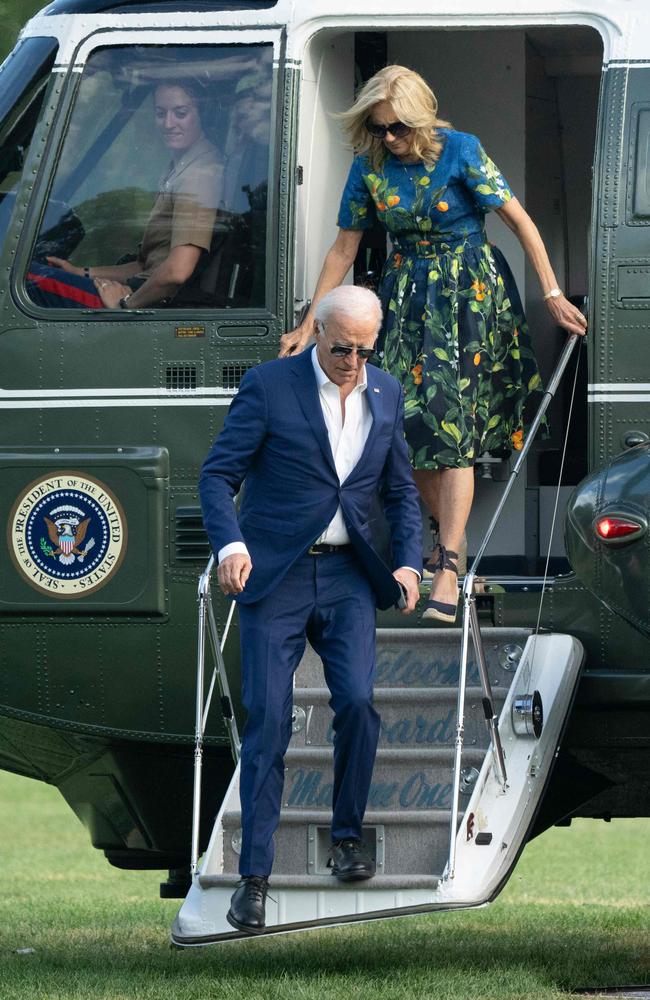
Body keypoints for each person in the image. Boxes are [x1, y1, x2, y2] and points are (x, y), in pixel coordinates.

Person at [280, 64, 588, 623]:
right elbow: (344, 249)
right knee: (397, 423)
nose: (389, 138)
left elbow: (520, 222)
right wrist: (310, 323)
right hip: (402, 297)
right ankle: (454, 542)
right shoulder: (369, 165)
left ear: (420, 117)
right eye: (378, 129)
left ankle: (446, 562)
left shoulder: (461, 150)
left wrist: (552, 293)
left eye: (397, 127)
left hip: (468, 297)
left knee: (452, 425)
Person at [199, 284, 422, 935]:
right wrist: (230, 544)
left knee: (356, 702)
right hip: (277, 575)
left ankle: (347, 836)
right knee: (269, 720)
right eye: (343, 348)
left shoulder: (385, 392)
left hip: (352, 576)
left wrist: (409, 560)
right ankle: (254, 880)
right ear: (317, 333)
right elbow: (218, 474)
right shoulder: (270, 386)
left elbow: (401, 492)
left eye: (365, 349)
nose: (354, 361)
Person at [27, 78, 222, 310]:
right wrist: (81, 272)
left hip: (147, 301)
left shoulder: (198, 174)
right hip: (142, 289)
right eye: (160, 113)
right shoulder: (181, 166)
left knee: (26, 281)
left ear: (202, 114)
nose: (168, 124)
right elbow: (146, 266)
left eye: (180, 113)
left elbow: (177, 272)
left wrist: (124, 307)